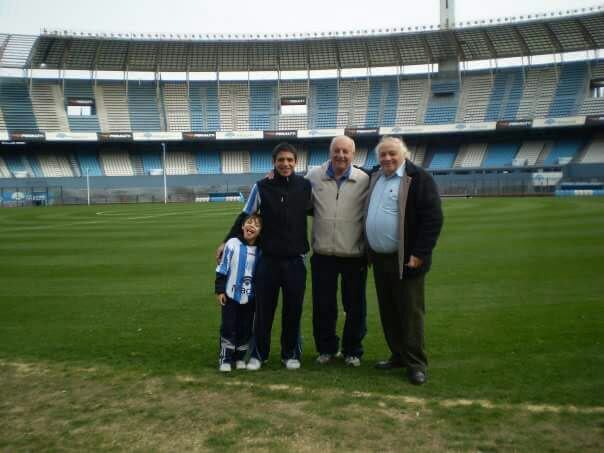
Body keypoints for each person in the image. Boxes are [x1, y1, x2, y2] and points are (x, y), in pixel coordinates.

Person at [217, 142, 312, 371]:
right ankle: (260, 354)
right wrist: (227, 240)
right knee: (263, 311)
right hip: (268, 260)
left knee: (293, 311)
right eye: (281, 160)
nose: (285, 164)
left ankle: (290, 354)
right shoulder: (262, 186)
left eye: (290, 160)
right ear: (274, 162)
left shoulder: (306, 186)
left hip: (296, 261)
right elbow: (246, 215)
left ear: (296, 162)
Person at [364, 136, 443, 385]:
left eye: (392, 154)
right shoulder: (376, 176)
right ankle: (398, 355)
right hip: (379, 258)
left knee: (410, 313)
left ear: (404, 155)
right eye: (383, 154)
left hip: (406, 260)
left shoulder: (419, 178)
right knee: (389, 311)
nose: (387, 158)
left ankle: (416, 364)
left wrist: (419, 254)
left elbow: (433, 219)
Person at [306, 135, 369, 367]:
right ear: (330, 152)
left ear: (353, 154)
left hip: (354, 255)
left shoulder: (364, 179)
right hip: (323, 255)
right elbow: (296, 194)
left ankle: (353, 350)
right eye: (337, 151)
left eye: (346, 151)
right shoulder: (313, 176)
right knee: (323, 306)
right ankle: (326, 349)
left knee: (355, 307)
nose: (341, 155)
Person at [214, 214, 262, 372]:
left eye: (256, 225)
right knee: (228, 326)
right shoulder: (232, 244)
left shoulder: (261, 250)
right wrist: (220, 290)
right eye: (248, 223)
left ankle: (240, 358)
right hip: (230, 296)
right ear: (242, 227)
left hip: (249, 298)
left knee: (245, 328)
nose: (251, 226)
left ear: (260, 231)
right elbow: (222, 268)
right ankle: (225, 359)